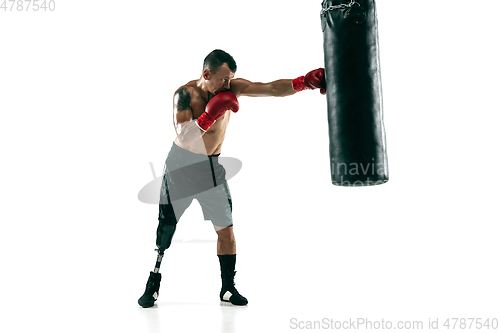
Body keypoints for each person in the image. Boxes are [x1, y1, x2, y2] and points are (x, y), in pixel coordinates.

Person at [138, 49, 325, 307]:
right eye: (224, 79)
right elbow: (183, 136)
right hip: (181, 166)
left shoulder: (231, 88)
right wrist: (209, 114)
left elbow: (270, 88)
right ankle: (154, 282)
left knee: (226, 230)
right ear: (207, 73)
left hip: (211, 168)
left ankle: (227, 288)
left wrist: (303, 82)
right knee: (167, 228)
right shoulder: (185, 94)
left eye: (231, 79)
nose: (228, 85)